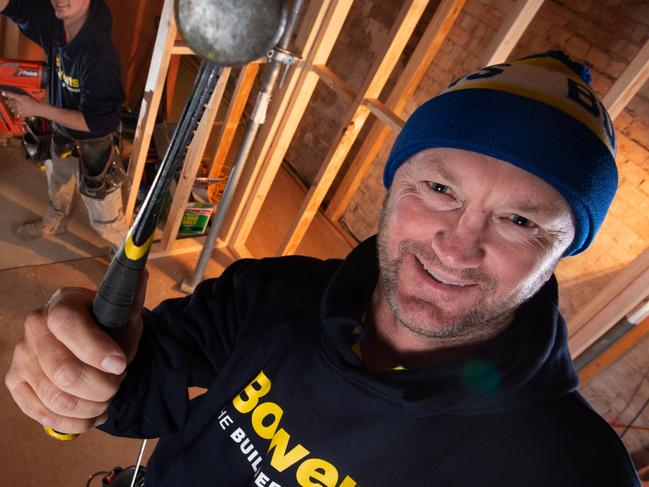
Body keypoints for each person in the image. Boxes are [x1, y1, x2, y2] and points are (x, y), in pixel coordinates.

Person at [5, 51, 641, 486]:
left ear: (562, 251)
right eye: (440, 190)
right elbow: (135, 387)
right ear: (394, 187)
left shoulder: (571, 469)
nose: (457, 245)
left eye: (521, 222)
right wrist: (77, 361)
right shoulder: (275, 293)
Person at [1, 0, 128, 250]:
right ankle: (54, 221)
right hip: (62, 134)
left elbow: (96, 122)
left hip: (95, 145)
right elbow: (14, 6)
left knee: (106, 219)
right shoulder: (56, 25)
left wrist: (37, 108)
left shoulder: (99, 55)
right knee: (57, 187)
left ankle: (126, 262)